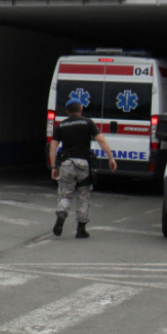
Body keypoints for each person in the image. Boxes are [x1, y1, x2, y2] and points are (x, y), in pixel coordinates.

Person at [48, 98, 117, 238]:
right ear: (81, 109)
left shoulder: (61, 125)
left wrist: (54, 166)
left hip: (66, 164)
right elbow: (101, 140)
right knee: (83, 195)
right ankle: (81, 229)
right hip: (84, 164)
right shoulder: (88, 123)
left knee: (65, 193)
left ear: (67, 111)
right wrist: (111, 158)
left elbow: (53, 146)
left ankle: (61, 213)